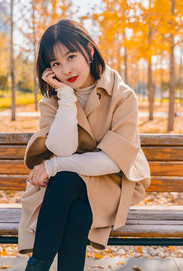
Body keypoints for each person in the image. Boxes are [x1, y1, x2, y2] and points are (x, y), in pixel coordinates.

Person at [18, 19, 151, 271]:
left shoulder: (122, 96)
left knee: (65, 179)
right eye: (56, 63)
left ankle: (36, 266)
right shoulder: (52, 100)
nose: (66, 69)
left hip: (111, 182)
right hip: (66, 190)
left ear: (89, 50)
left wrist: (55, 165)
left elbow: (113, 160)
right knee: (76, 211)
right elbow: (64, 148)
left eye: (71, 56)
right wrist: (66, 97)